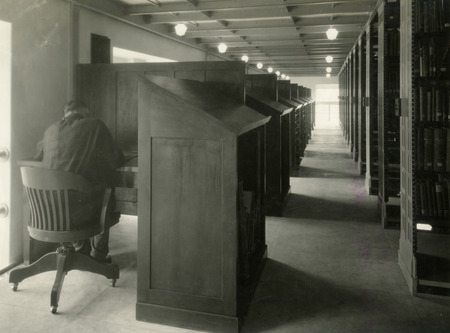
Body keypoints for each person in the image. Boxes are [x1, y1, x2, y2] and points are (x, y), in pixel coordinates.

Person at [35, 100, 124, 263]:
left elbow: (38, 155)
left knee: (76, 193)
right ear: (85, 113)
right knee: (104, 192)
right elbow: (114, 160)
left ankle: (80, 249)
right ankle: (98, 255)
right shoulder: (95, 126)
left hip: (48, 213)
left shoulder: (50, 130)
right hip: (80, 213)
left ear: (64, 114)